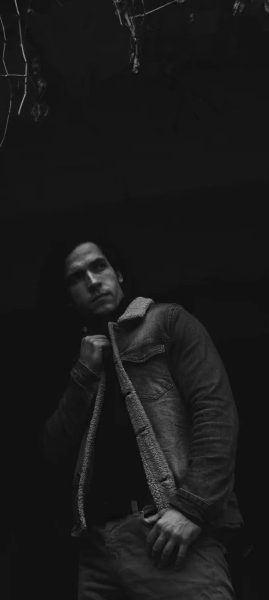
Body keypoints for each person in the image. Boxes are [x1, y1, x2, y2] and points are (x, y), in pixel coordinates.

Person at [39, 235, 243, 599]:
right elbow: (52, 452)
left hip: (169, 534)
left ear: (118, 275)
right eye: (76, 277)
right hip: (97, 552)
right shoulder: (78, 365)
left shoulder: (167, 322)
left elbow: (215, 413)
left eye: (98, 266)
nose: (91, 281)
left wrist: (193, 508)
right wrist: (83, 376)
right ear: (69, 297)